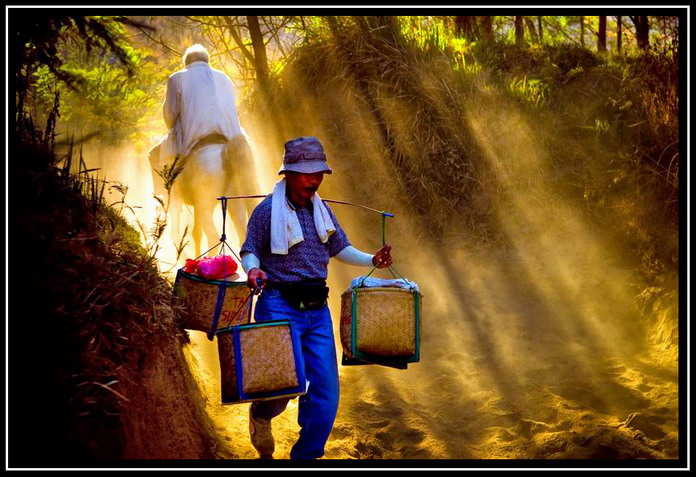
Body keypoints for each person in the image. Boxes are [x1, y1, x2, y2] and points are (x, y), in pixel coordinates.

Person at [240, 136, 392, 460]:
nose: (314, 180)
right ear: (289, 174)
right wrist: (253, 271)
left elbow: (340, 248)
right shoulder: (267, 211)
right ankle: (262, 414)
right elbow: (250, 249)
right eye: (306, 173)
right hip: (278, 306)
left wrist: (372, 260)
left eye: (318, 173)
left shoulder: (322, 212)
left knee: (326, 392)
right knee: (283, 389)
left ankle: (306, 457)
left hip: (317, 311)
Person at [158, 43, 243, 168]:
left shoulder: (177, 78)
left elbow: (169, 119)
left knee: (154, 156)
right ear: (207, 61)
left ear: (186, 62)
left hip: (191, 142)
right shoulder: (224, 78)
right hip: (231, 142)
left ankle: (166, 188)